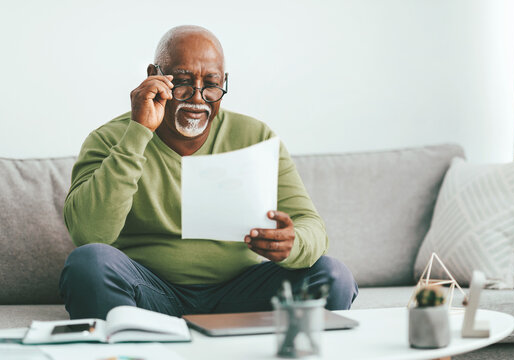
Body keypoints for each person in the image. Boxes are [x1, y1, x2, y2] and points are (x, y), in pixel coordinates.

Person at [60, 25, 358, 320]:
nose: (198, 97)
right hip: (149, 292)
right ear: (154, 76)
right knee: (88, 264)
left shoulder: (256, 136)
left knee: (333, 276)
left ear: (224, 83)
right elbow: (89, 234)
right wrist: (138, 133)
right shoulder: (110, 139)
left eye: (212, 84)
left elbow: (312, 225)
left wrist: (293, 244)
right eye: (183, 81)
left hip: (242, 294)